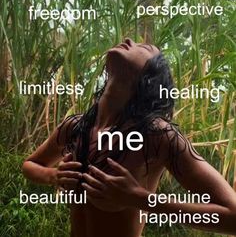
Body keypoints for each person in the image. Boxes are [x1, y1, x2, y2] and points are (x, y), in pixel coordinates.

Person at [22, 38, 236, 237]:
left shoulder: (157, 135)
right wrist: (54, 176)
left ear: (150, 79)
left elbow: (232, 216)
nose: (128, 40)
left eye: (142, 47)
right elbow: (30, 165)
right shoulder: (77, 127)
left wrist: (138, 198)